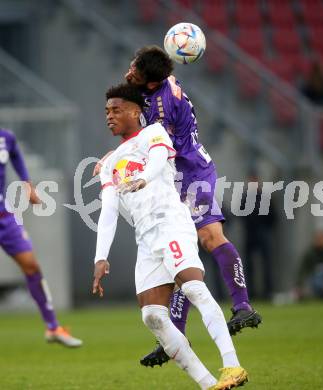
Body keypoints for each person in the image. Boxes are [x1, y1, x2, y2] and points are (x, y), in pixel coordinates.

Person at [94, 46, 261, 367]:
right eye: (131, 66)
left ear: (151, 83)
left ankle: (242, 305)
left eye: (136, 73)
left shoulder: (160, 106)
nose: (129, 73)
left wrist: (110, 158)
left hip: (191, 171)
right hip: (175, 175)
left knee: (210, 237)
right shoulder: (157, 81)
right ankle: (176, 337)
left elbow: (148, 140)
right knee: (180, 257)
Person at [0, 128, 82, 348]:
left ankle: (53, 327)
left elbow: (15, 152)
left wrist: (27, 184)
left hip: (4, 216)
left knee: (31, 266)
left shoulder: (5, 137)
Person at [296, 230, 323, 299]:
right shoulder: (310, 252)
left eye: (322, 239)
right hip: (313, 278)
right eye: (318, 239)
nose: (320, 241)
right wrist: (299, 284)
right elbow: (302, 269)